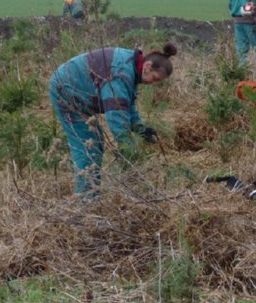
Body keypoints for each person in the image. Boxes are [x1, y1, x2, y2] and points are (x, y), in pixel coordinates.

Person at [49, 43, 177, 197]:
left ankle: (91, 194)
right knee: (88, 144)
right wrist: (127, 148)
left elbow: (127, 104)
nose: (153, 83)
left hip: (76, 89)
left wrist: (139, 128)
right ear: (148, 66)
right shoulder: (122, 73)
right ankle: (86, 198)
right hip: (66, 89)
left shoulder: (132, 67)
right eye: (155, 78)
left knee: (94, 142)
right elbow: (116, 114)